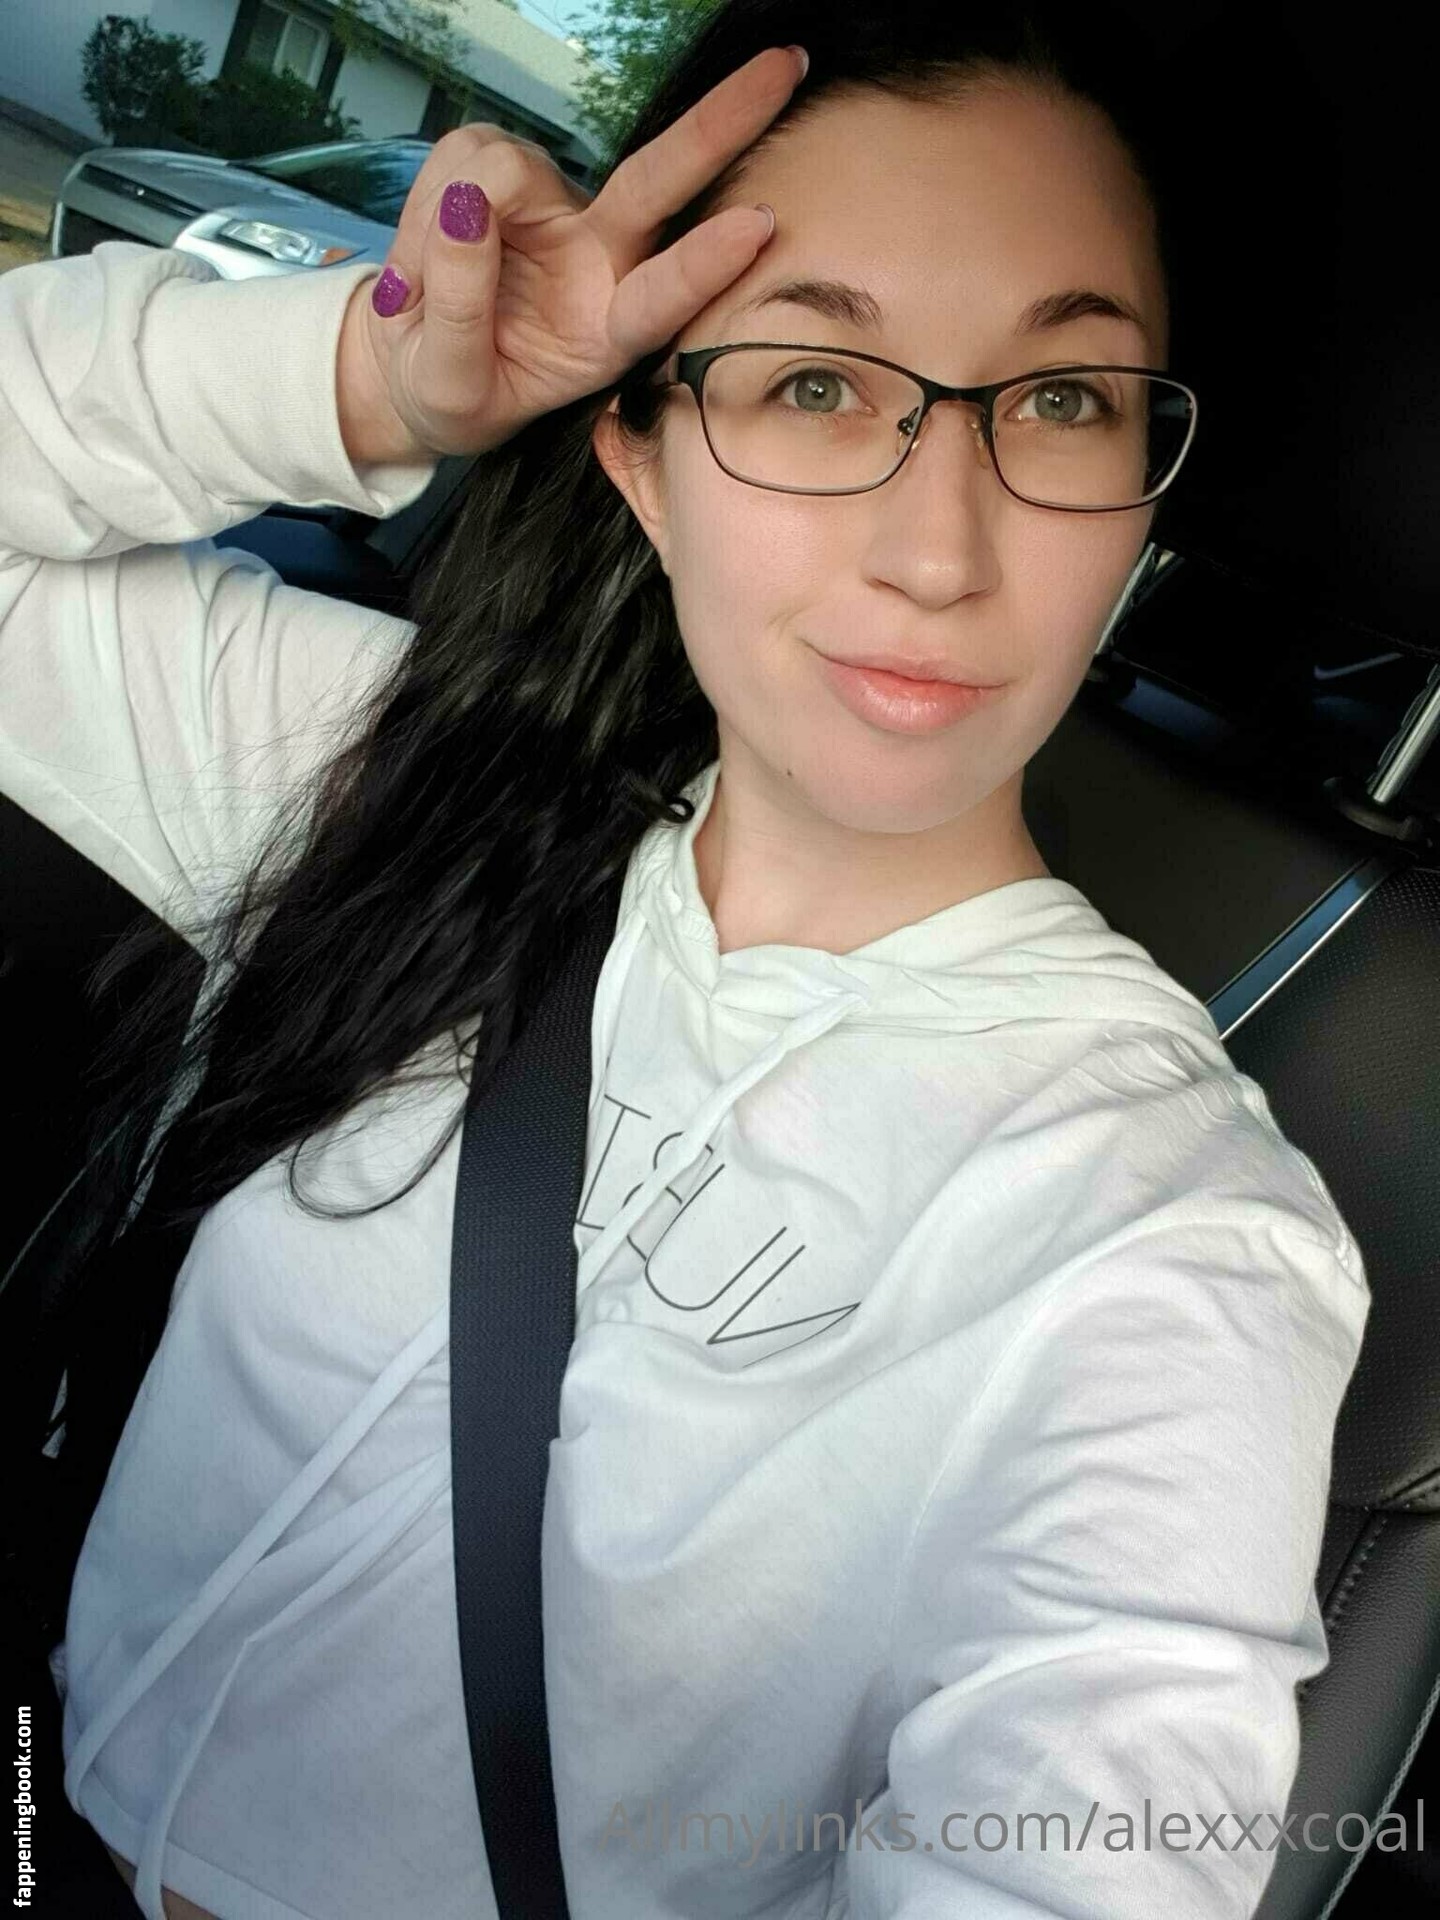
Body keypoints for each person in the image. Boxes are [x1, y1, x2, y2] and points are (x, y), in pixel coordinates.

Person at [0, 2, 1370, 1916]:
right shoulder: (388, 787)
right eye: (813, 382)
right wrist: (371, 381)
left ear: (1146, 491)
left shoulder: (1164, 1226)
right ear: (640, 462)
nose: (940, 552)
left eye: (1064, 400)